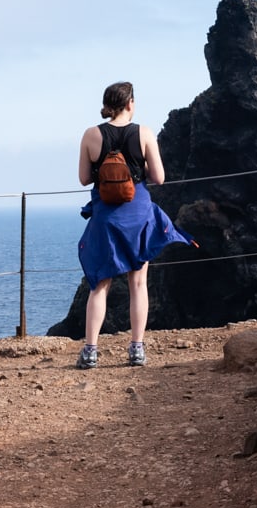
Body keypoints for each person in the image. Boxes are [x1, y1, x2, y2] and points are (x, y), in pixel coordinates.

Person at [75, 81, 194, 370]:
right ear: (130, 103)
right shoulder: (144, 133)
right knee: (138, 283)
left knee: (99, 284)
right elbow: (160, 178)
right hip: (138, 213)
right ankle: (136, 350)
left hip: (106, 216)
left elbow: (83, 178)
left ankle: (91, 351)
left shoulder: (91, 135)